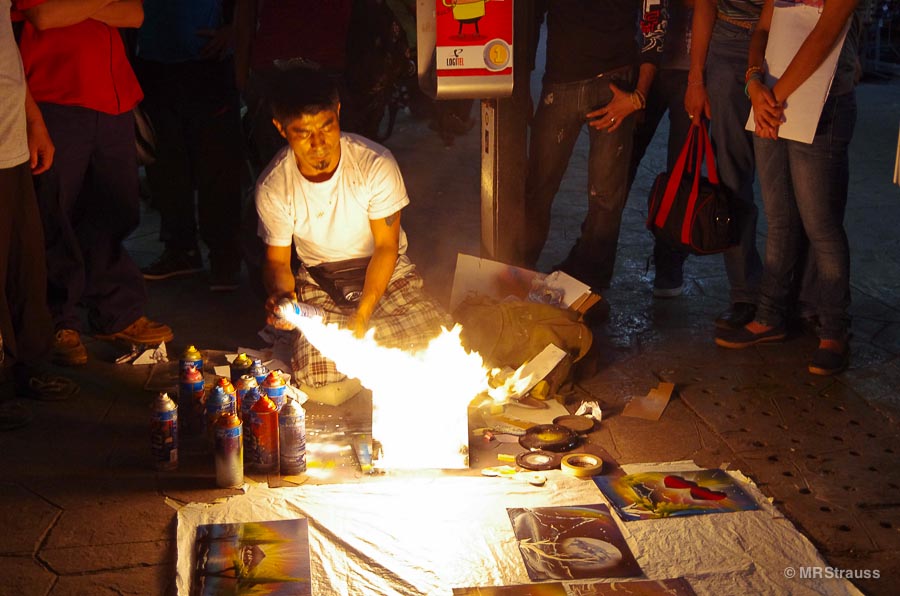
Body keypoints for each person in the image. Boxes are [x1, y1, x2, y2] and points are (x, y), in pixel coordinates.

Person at [255, 70, 449, 403]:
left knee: (440, 348)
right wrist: (282, 298)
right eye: (304, 132)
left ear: (339, 112)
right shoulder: (274, 185)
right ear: (281, 128)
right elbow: (278, 262)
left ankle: (368, 370)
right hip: (321, 280)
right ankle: (375, 369)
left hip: (385, 273)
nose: (319, 144)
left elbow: (387, 247)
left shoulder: (374, 164)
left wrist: (362, 315)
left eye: (326, 126)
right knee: (321, 385)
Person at [14, 0, 174, 366]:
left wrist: (76, 7)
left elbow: (134, 14)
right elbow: (43, 14)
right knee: (54, 213)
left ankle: (115, 311)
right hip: (53, 91)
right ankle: (57, 320)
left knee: (113, 209)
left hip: (112, 97)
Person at [715, 0, 863, 375]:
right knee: (779, 217)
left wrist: (772, 96)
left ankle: (833, 329)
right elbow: (763, 27)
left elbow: (825, 33)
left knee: (821, 224)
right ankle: (770, 315)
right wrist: (752, 81)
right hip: (770, 97)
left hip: (820, 103)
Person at [521, 0, 667, 291]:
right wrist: (522, 83)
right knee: (538, 188)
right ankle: (517, 276)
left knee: (605, 198)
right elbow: (532, 16)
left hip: (615, 84)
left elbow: (655, 22)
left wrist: (638, 95)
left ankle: (592, 289)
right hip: (561, 82)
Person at [1, 0, 78, 429]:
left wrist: (33, 120)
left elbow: (5, 48)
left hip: (8, 131)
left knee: (26, 259)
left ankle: (30, 363)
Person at [135, 0, 245, 291]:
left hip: (207, 61)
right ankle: (181, 249)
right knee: (165, 163)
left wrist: (235, 29)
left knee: (217, 162)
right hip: (153, 60)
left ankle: (224, 256)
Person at [684, 0, 764, 330]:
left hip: (787, 46)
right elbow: (705, 4)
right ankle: (745, 292)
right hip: (729, 40)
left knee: (792, 181)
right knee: (732, 177)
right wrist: (696, 79)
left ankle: (799, 295)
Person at [627, 0, 694, 297]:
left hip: (692, 68)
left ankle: (670, 262)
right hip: (643, 63)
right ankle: (595, 253)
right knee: (621, 161)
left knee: (682, 169)